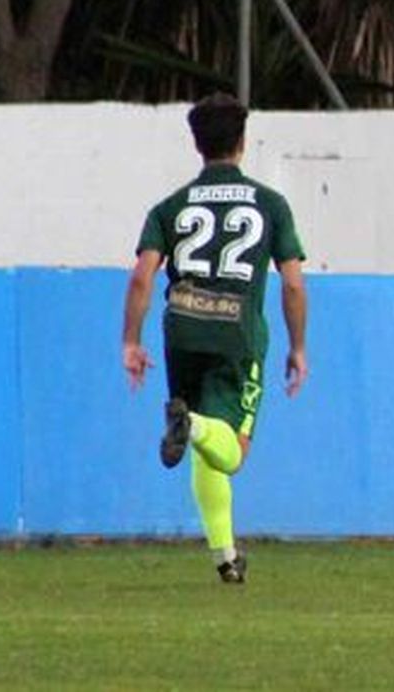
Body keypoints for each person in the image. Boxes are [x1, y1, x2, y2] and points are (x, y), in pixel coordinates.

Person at [121, 93, 308, 584]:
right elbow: (291, 283)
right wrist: (298, 347)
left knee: (202, 438)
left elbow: (142, 277)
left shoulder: (170, 206)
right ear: (242, 142)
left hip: (180, 328)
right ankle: (196, 427)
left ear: (197, 144)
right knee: (230, 447)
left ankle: (225, 557)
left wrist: (130, 342)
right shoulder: (270, 204)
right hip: (237, 333)